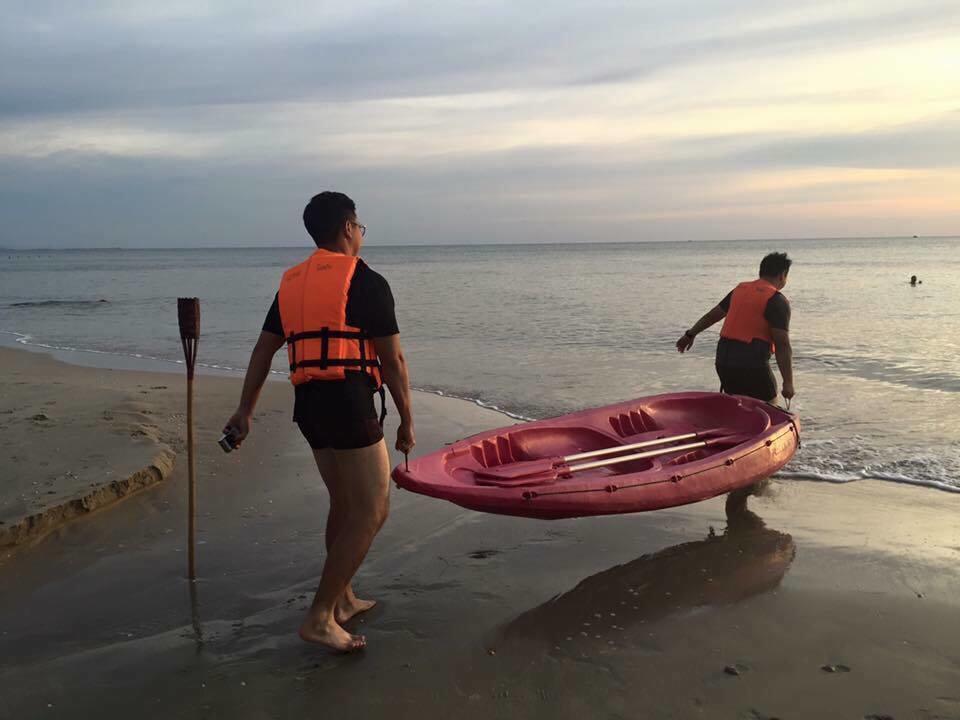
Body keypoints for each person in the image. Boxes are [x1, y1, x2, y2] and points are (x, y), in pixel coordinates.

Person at [223, 191, 415, 653]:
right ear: (349, 228)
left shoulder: (292, 283)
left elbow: (263, 351)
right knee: (372, 509)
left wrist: (244, 411)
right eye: (360, 228)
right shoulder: (366, 281)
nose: (361, 236)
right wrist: (408, 419)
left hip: (309, 404)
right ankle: (321, 615)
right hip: (348, 402)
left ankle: (343, 599)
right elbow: (393, 361)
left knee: (344, 504)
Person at [675, 252, 795, 404]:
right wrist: (788, 383)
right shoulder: (776, 300)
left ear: (761, 271)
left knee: (739, 407)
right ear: (782, 275)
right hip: (752, 364)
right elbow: (782, 344)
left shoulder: (739, 290)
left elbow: (711, 316)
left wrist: (690, 335)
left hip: (724, 361)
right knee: (769, 409)